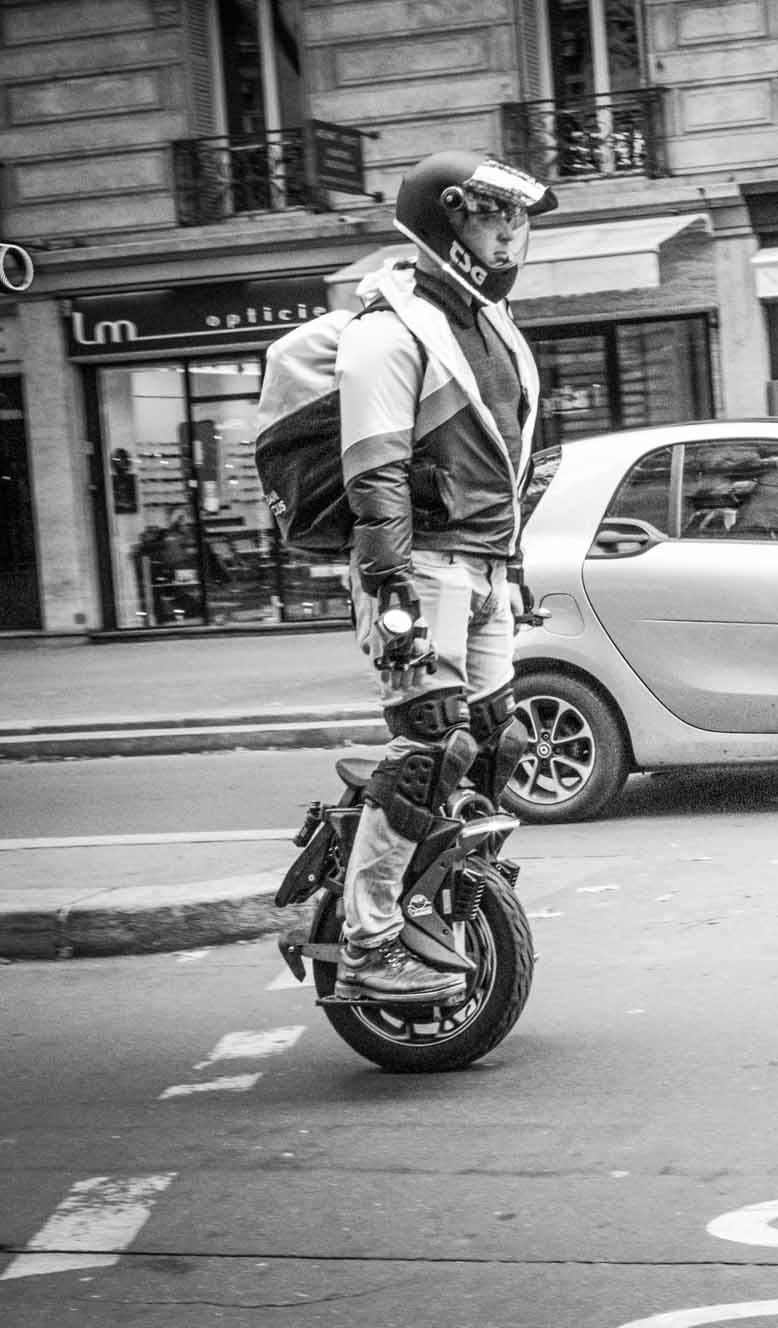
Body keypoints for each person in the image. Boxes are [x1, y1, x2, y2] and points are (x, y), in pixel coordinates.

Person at [332, 150, 557, 1002]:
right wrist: (388, 590)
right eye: (493, 216)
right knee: (430, 742)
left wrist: (514, 568)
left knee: (494, 738)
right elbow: (375, 474)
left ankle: (450, 886)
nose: (512, 233)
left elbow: (505, 463)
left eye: (520, 218)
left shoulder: (491, 326)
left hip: (486, 567)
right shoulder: (386, 331)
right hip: (420, 569)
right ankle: (369, 938)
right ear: (445, 218)